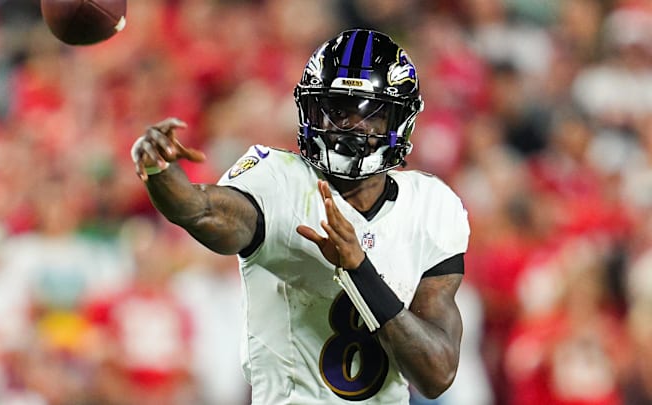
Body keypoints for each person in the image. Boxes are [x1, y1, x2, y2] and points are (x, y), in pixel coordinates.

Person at [130, 29, 470, 404]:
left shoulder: (431, 206)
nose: (350, 127)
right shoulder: (279, 180)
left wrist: (359, 270)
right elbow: (202, 210)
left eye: (370, 113)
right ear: (311, 111)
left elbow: (437, 372)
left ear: (398, 121)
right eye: (338, 110)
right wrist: (160, 171)